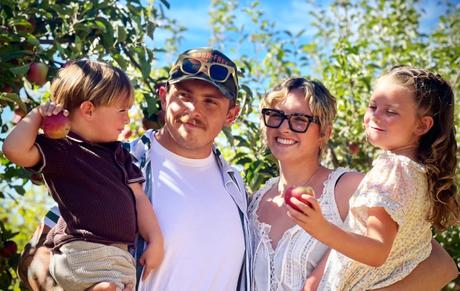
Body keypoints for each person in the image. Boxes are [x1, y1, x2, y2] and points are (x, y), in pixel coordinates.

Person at [16, 47, 252, 291]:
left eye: (210, 101)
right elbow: (34, 254)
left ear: (231, 115)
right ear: (164, 96)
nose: (193, 110)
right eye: (184, 95)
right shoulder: (116, 161)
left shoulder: (238, 192)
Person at [250, 77, 459, 291]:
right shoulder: (253, 201)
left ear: (325, 132)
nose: (284, 127)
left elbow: (435, 263)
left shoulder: (355, 185)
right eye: (275, 116)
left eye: (300, 119)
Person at [3, 60, 164, 291]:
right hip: (80, 250)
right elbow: (13, 150)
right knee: (101, 284)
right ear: (89, 110)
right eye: (122, 110)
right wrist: (38, 115)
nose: (127, 119)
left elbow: (140, 199)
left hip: (118, 253)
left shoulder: (120, 155)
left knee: (119, 285)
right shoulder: (61, 149)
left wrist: (155, 240)